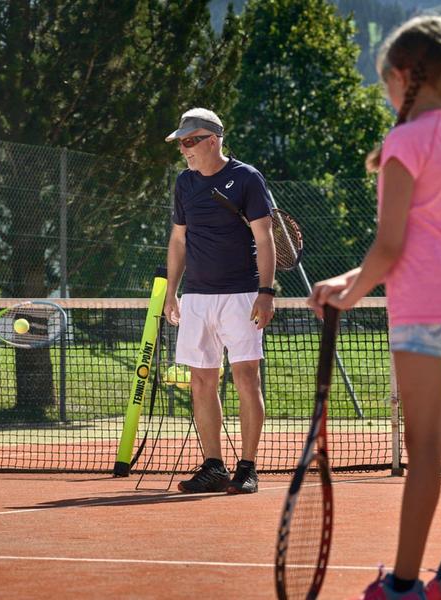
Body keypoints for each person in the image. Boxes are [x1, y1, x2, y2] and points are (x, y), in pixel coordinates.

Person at [306, 16, 441, 600]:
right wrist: (348, 282)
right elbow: (423, 239)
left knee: (424, 447)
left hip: (423, 307)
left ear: (405, 76)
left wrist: (350, 297)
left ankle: (403, 587)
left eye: (386, 82)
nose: (385, 93)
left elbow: (392, 246)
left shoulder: (405, 142)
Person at [163, 108, 276, 494]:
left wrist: (266, 291)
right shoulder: (184, 184)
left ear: (212, 139)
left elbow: (265, 238)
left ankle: (247, 468)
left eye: (190, 141)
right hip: (196, 297)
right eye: (180, 143)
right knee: (200, 381)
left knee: (246, 377)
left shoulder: (246, 178)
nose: (184, 149)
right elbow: (179, 241)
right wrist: (171, 291)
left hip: (242, 295)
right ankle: (213, 466)